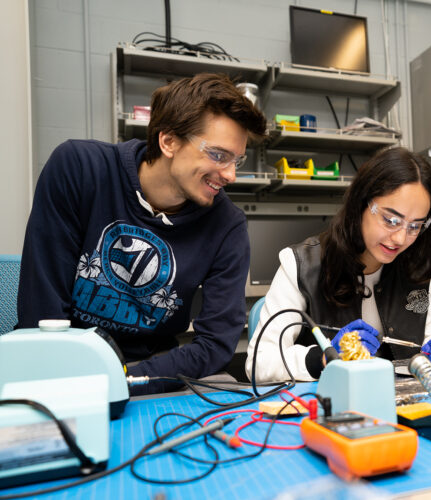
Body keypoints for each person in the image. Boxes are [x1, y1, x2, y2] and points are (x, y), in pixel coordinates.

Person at [17, 73, 267, 395]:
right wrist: (84, 385)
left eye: (237, 160)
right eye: (218, 155)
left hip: (155, 372)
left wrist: (123, 383)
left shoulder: (227, 225)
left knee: (228, 390)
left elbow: (215, 345)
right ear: (169, 141)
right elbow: (42, 315)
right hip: (62, 365)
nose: (231, 175)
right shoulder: (79, 169)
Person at [246, 147, 431, 383]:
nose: (401, 239)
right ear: (362, 203)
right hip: (329, 408)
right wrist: (324, 358)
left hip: (407, 407)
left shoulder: (417, 269)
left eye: (415, 226)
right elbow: (259, 363)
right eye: (391, 220)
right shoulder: (301, 265)